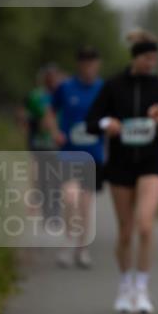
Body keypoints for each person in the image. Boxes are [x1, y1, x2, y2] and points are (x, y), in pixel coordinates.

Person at [86, 29, 158, 314]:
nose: (151, 63)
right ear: (135, 58)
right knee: (125, 231)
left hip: (151, 164)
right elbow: (91, 121)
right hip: (121, 165)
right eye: (147, 58)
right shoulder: (113, 86)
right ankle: (124, 286)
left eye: (154, 59)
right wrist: (106, 124)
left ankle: (142, 288)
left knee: (145, 225)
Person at [43, 46, 105, 269]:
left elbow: (114, 116)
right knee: (70, 198)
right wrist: (54, 132)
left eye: (93, 63)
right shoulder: (65, 88)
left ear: (97, 65)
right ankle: (67, 244)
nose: (89, 67)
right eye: (85, 63)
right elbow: (49, 111)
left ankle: (82, 248)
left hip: (94, 155)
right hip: (69, 152)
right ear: (79, 65)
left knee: (86, 204)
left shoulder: (103, 88)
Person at [19, 63, 64, 224]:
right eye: (49, 77)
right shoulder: (35, 96)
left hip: (58, 144)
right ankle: (47, 212)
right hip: (39, 143)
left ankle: (55, 212)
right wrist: (29, 122)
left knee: (57, 178)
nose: (52, 80)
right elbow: (23, 114)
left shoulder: (62, 94)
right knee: (42, 179)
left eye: (55, 76)